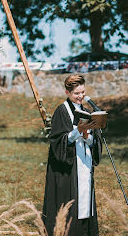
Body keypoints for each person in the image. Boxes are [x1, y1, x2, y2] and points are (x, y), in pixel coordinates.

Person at [42, 74, 103, 236]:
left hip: (84, 164)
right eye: (77, 93)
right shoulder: (62, 111)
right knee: (72, 208)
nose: (81, 96)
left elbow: (93, 142)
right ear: (67, 92)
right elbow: (57, 141)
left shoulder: (85, 111)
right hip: (70, 168)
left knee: (85, 207)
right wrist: (77, 132)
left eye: (82, 92)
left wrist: (87, 136)